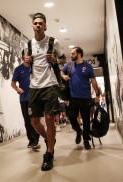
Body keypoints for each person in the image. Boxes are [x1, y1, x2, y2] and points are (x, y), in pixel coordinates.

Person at [24, 13, 66, 171]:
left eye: (41, 23)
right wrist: (26, 62)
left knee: (49, 119)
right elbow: (26, 64)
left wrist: (55, 60)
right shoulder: (27, 45)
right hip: (34, 86)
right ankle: (49, 140)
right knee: (34, 121)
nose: (38, 25)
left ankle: (49, 154)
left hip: (50, 84)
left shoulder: (53, 42)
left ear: (45, 26)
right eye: (35, 23)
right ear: (33, 26)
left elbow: (63, 59)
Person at [61, 47, 100, 150]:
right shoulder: (69, 65)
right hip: (72, 98)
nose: (71, 55)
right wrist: (63, 76)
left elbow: (93, 81)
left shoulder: (88, 67)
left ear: (79, 54)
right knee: (71, 116)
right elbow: (61, 72)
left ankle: (86, 140)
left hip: (86, 98)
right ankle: (78, 131)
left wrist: (97, 94)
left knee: (86, 120)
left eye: (73, 53)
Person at [11, 51, 40, 150]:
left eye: (30, 55)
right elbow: (13, 84)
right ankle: (32, 140)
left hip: (35, 98)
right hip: (24, 99)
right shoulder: (18, 69)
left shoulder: (35, 67)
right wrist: (17, 89)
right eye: (26, 54)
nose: (28, 56)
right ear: (23, 56)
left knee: (34, 120)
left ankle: (36, 139)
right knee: (27, 120)